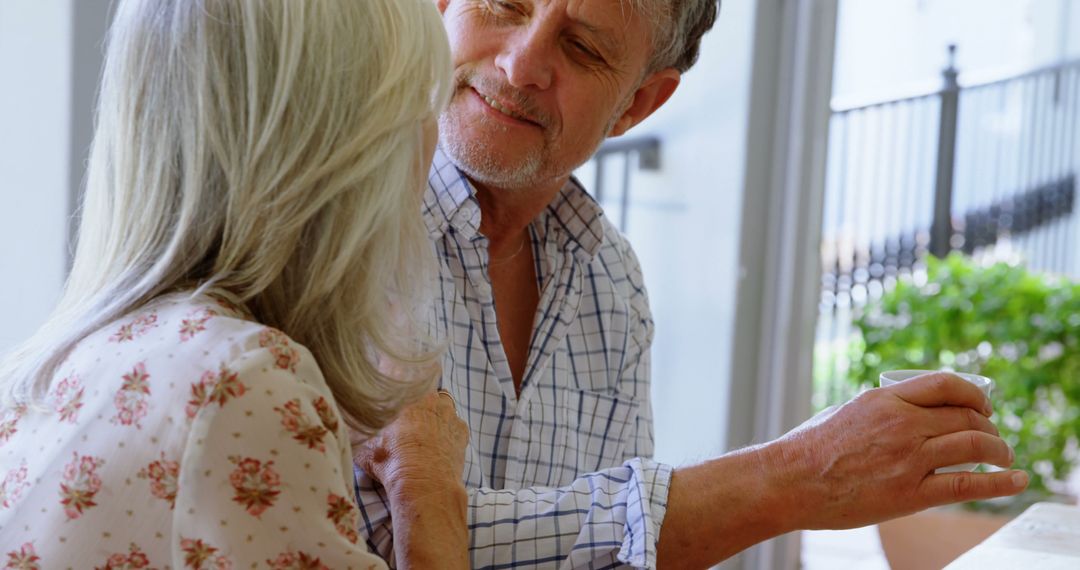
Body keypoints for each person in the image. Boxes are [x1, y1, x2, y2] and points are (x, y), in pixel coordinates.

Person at [355, 0, 1031, 568]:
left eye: (583, 47)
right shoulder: (334, 226)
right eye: (504, 4)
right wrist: (790, 476)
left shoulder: (608, 280)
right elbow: (357, 544)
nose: (522, 63)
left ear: (637, 104)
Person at [0, 0, 469, 568]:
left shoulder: (52, 372)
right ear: (343, 153)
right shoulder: (243, 384)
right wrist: (428, 486)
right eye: (416, 105)